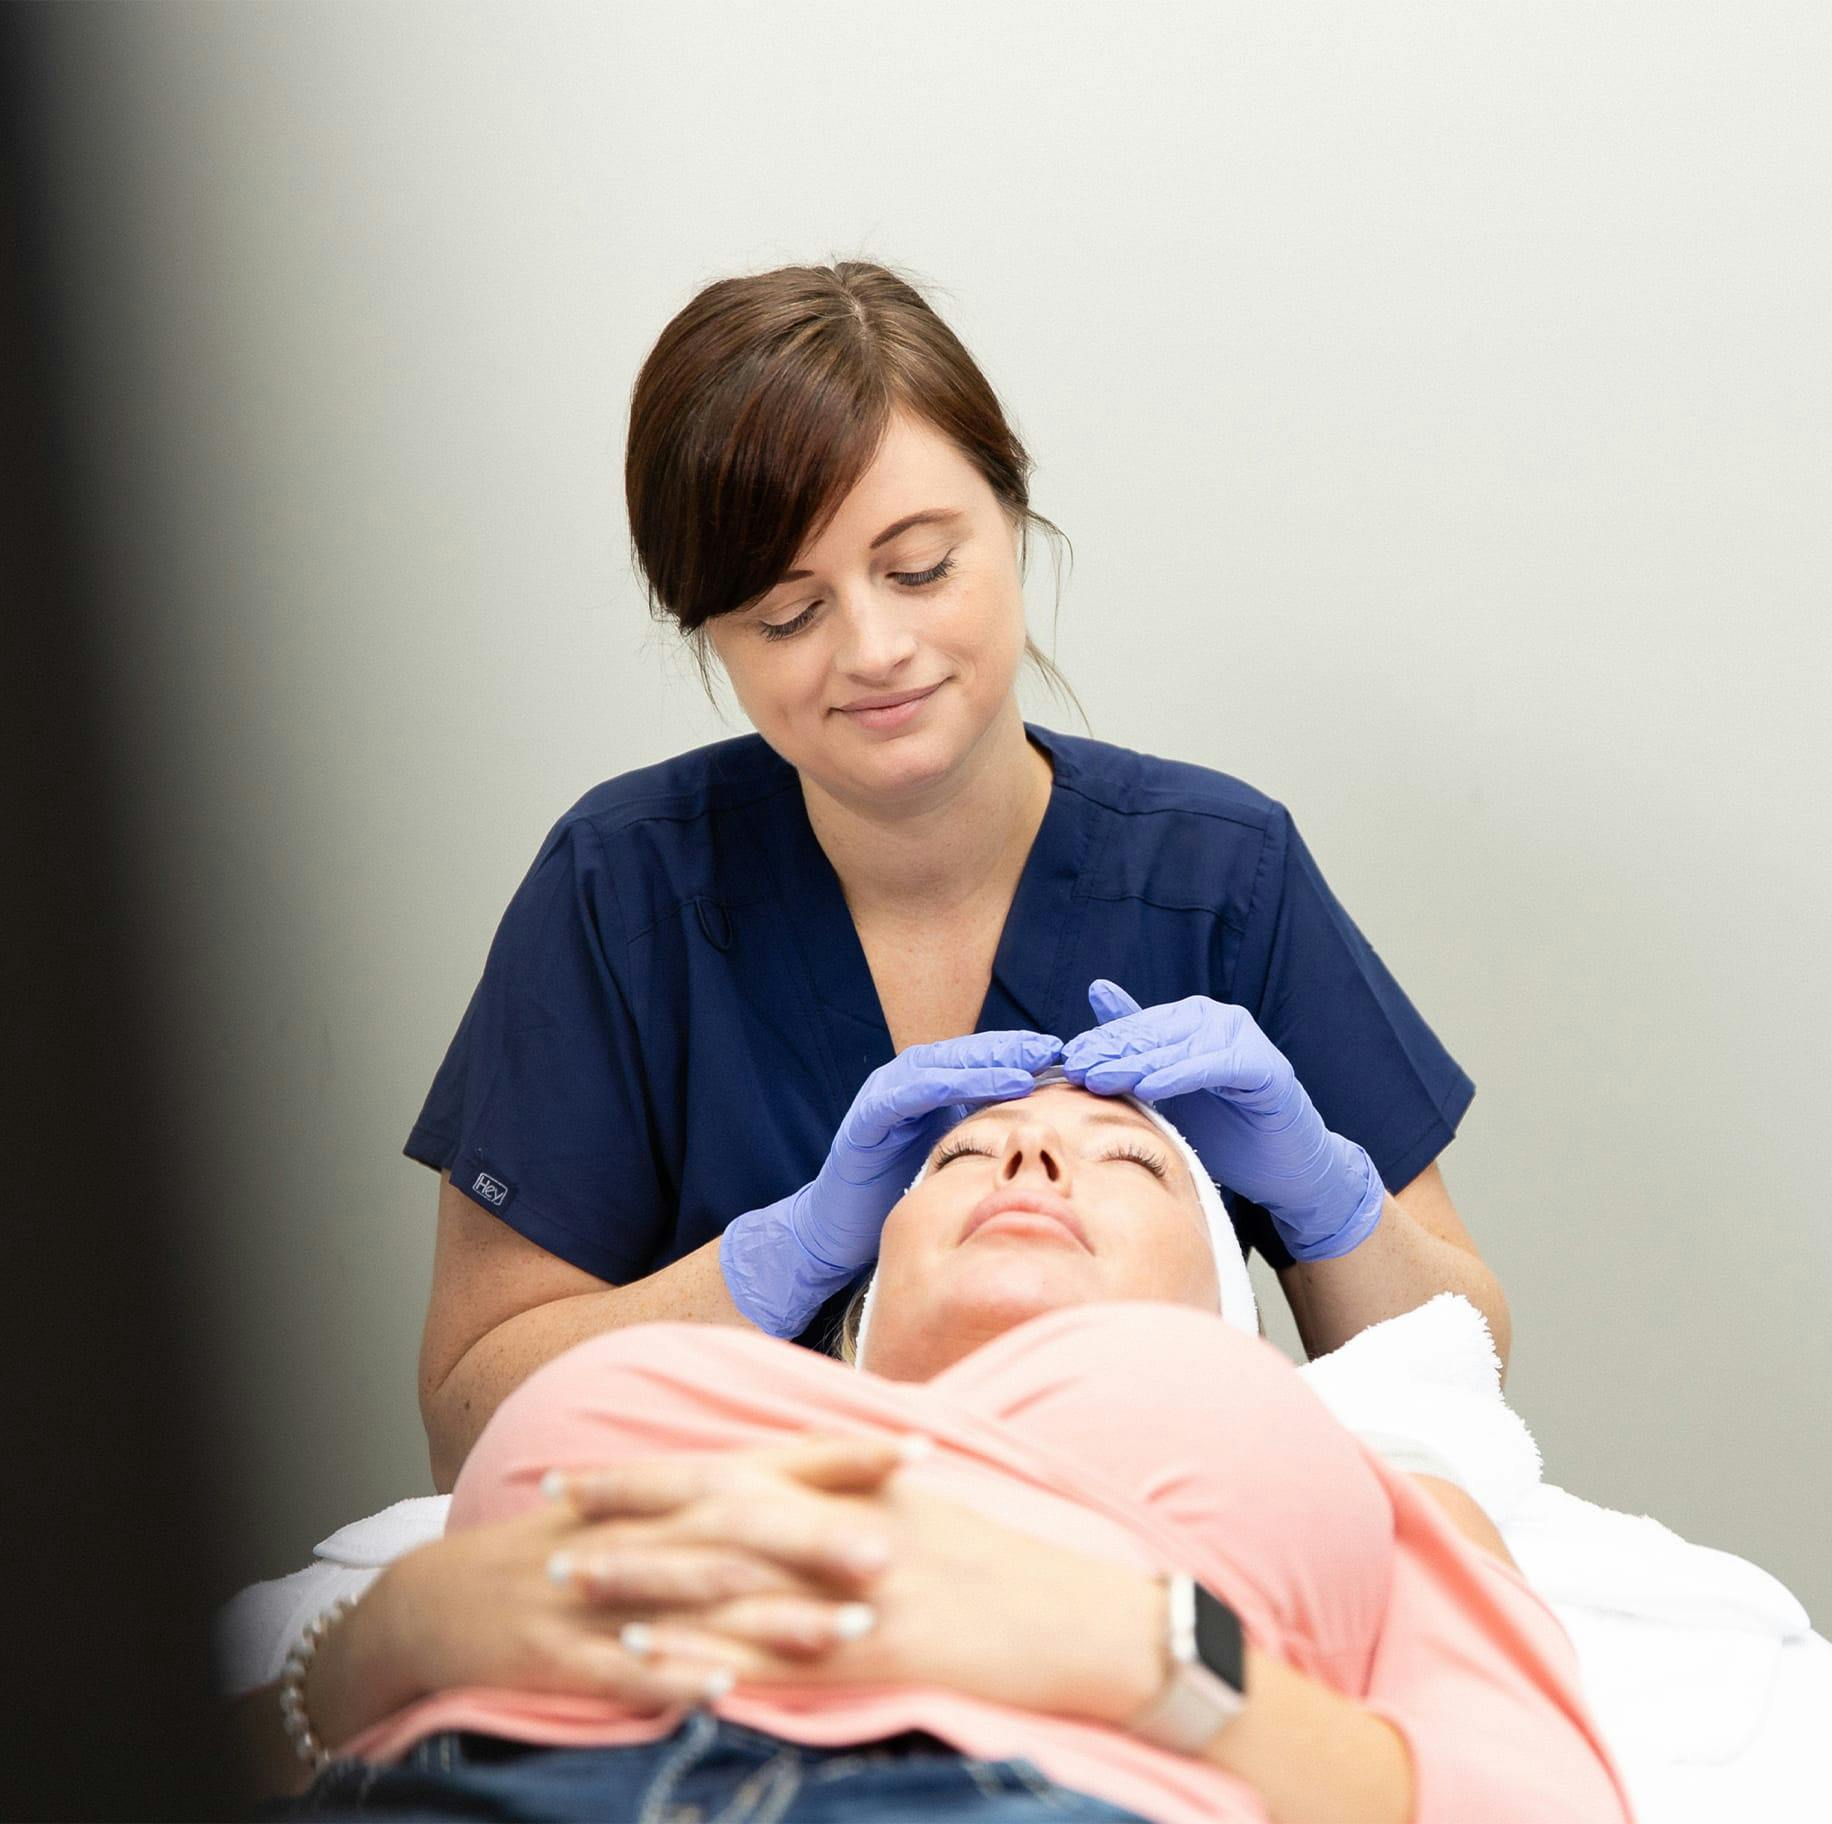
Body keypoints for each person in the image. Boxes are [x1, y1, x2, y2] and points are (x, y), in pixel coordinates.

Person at [412, 259, 1506, 1493]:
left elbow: (1461, 1378)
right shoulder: (622, 895)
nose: (874, 650)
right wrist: (770, 1263)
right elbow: (469, 1419)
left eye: (921, 568)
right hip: (753, 1570)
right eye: (785, 614)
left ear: (1012, 519)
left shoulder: (1216, 878)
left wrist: (1330, 1203)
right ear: (705, 633)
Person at [249, 1081, 1625, 1823]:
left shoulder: (1345, 1460)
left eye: (1127, 1164)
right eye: (965, 1157)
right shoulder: (709, 1384)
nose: (1029, 1162)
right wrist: (379, 1645)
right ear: (869, 1273)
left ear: (1222, 1306)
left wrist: (1150, 1656)